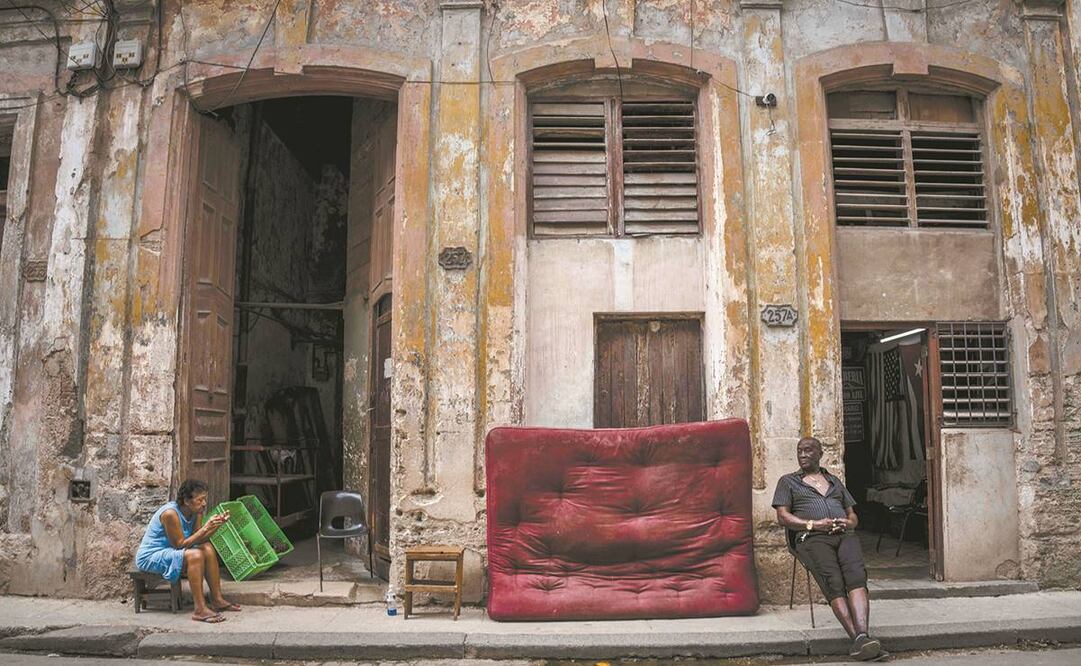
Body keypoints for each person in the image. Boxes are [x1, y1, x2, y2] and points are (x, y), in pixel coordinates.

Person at [772, 436, 884, 661]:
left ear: (820, 453)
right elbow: (783, 516)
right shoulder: (788, 482)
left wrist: (848, 523)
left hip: (844, 535)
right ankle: (859, 639)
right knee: (833, 580)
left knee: (856, 576)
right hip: (812, 538)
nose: (803, 455)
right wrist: (814, 524)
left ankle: (862, 635)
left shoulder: (834, 481)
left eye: (808, 450)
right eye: (800, 451)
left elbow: (853, 515)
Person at [136, 479, 240, 623]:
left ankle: (216, 599)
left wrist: (216, 526)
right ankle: (200, 609)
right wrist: (205, 528)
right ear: (186, 501)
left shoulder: (196, 512)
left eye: (205, 499)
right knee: (196, 555)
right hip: (152, 555)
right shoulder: (170, 514)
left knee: (208, 548)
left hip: (172, 550)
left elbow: (200, 539)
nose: (204, 503)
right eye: (200, 500)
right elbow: (179, 545)